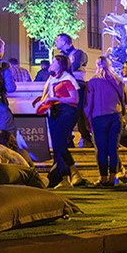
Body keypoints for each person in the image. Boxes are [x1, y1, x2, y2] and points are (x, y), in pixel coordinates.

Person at [38, 52, 83, 188]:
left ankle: (72, 171)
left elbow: (74, 99)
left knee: (59, 141)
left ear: (61, 65)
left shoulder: (68, 78)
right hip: (55, 111)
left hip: (66, 111)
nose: (51, 64)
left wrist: (55, 98)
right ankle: (64, 178)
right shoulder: (51, 79)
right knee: (57, 145)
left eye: (54, 62)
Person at [86, 57, 126, 187]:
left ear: (97, 65)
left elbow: (89, 103)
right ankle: (112, 176)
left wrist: (87, 118)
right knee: (113, 148)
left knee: (101, 149)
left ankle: (103, 177)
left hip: (99, 117)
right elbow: (124, 100)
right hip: (116, 116)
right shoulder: (118, 81)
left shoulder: (93, 82)